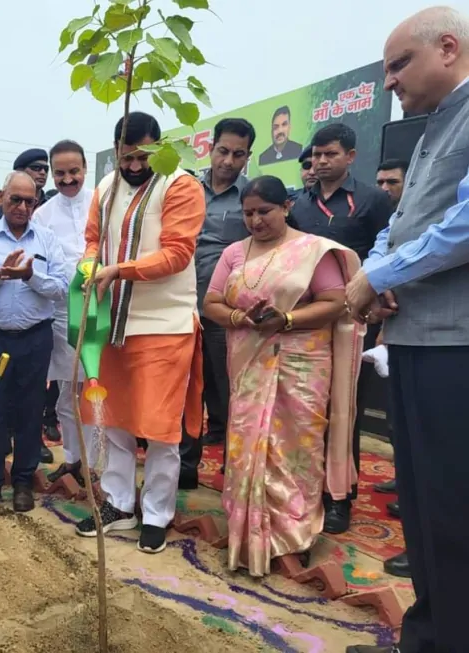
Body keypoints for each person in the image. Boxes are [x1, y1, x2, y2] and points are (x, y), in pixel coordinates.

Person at [344, 7, 469, 653]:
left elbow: (465, 225)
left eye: (399, 65)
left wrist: (382, 272)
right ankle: (426, 637)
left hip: (457, 347)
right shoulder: (427, 133)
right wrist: (377, 272)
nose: (389, 81)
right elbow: (401, 225)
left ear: (447, 48)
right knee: (420, 510)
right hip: (415, 340)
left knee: (454, 511)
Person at [203, 176, 363, 577]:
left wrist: (287, 319)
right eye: (248, 213)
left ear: (286, 207)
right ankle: (249, 531)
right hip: (249, 360)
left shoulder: (312, 251)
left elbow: (336, 300)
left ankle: (294, 535)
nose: (256, 220)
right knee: (246, 443)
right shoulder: (234, 254)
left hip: (301, 364)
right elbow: (211, 302)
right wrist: (240, 317)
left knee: (296, 449)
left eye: (264, 211)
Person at [74, 112, 205, 554]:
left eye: (141, 155)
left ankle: (156, 514)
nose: (132, 165)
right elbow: (93, 241)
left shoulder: (181, 185)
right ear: (115, 150)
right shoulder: (104, 188)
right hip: (110, 324)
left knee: (161, 426)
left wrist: (119, 269)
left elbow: (177, 254)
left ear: (158, 147)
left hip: (163, 325)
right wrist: (91, 265)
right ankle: (119, 503)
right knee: (110, 419)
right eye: (125, 156)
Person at [291, 122, 393, 535]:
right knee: (306, 406)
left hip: (354, 321)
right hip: (305, 321)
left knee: (343, 411)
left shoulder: (373, 200)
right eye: (316, 155)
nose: (320, 162)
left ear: (350, 156)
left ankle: (339, 499)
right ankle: (305, 488)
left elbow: (390, 249)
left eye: (329, 154)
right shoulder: (297, 204)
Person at [0, 171, 69, 511]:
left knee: (31, 410)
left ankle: (24, 481)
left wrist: (30, 276)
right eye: (15, 199)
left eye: (30, 201)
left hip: (34, 338)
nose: (22, 207)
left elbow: (61, 288)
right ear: (1, 197)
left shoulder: (46, 240)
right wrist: (0, 275)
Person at [179, 118, 255, 489]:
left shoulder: (250, 198)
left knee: (228, 393)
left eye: (237, 154)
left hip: (226, 313)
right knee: (185, 391)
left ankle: (235, 469)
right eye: (222, 151)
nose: (228, 161)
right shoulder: (187, 189)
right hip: (180, 306)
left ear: (248, 156)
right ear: (210, 149)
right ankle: (186, 466)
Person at [33, 140, 96, 486]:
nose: (68, 179)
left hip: (100, 309)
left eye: (74, 171)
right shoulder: (43, 214)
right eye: (60, 173)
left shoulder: (101, 202)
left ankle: (97, 464)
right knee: (66, 393)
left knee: (97, 389)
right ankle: (73, 459)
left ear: (85, 169)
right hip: (61, 314)